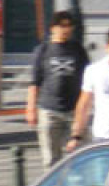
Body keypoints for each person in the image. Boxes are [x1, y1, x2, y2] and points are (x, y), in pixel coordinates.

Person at [25, 10, 89, 166]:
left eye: (69, 26)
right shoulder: (43, 50)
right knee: (50, 159)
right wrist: (31, 107)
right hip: (49, 110)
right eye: (62, 26)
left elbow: (88, 78)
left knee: (79, 155)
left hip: (73, 109)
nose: (66, 29)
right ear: (53, 28)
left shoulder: (78, 49)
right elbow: (35, 81)